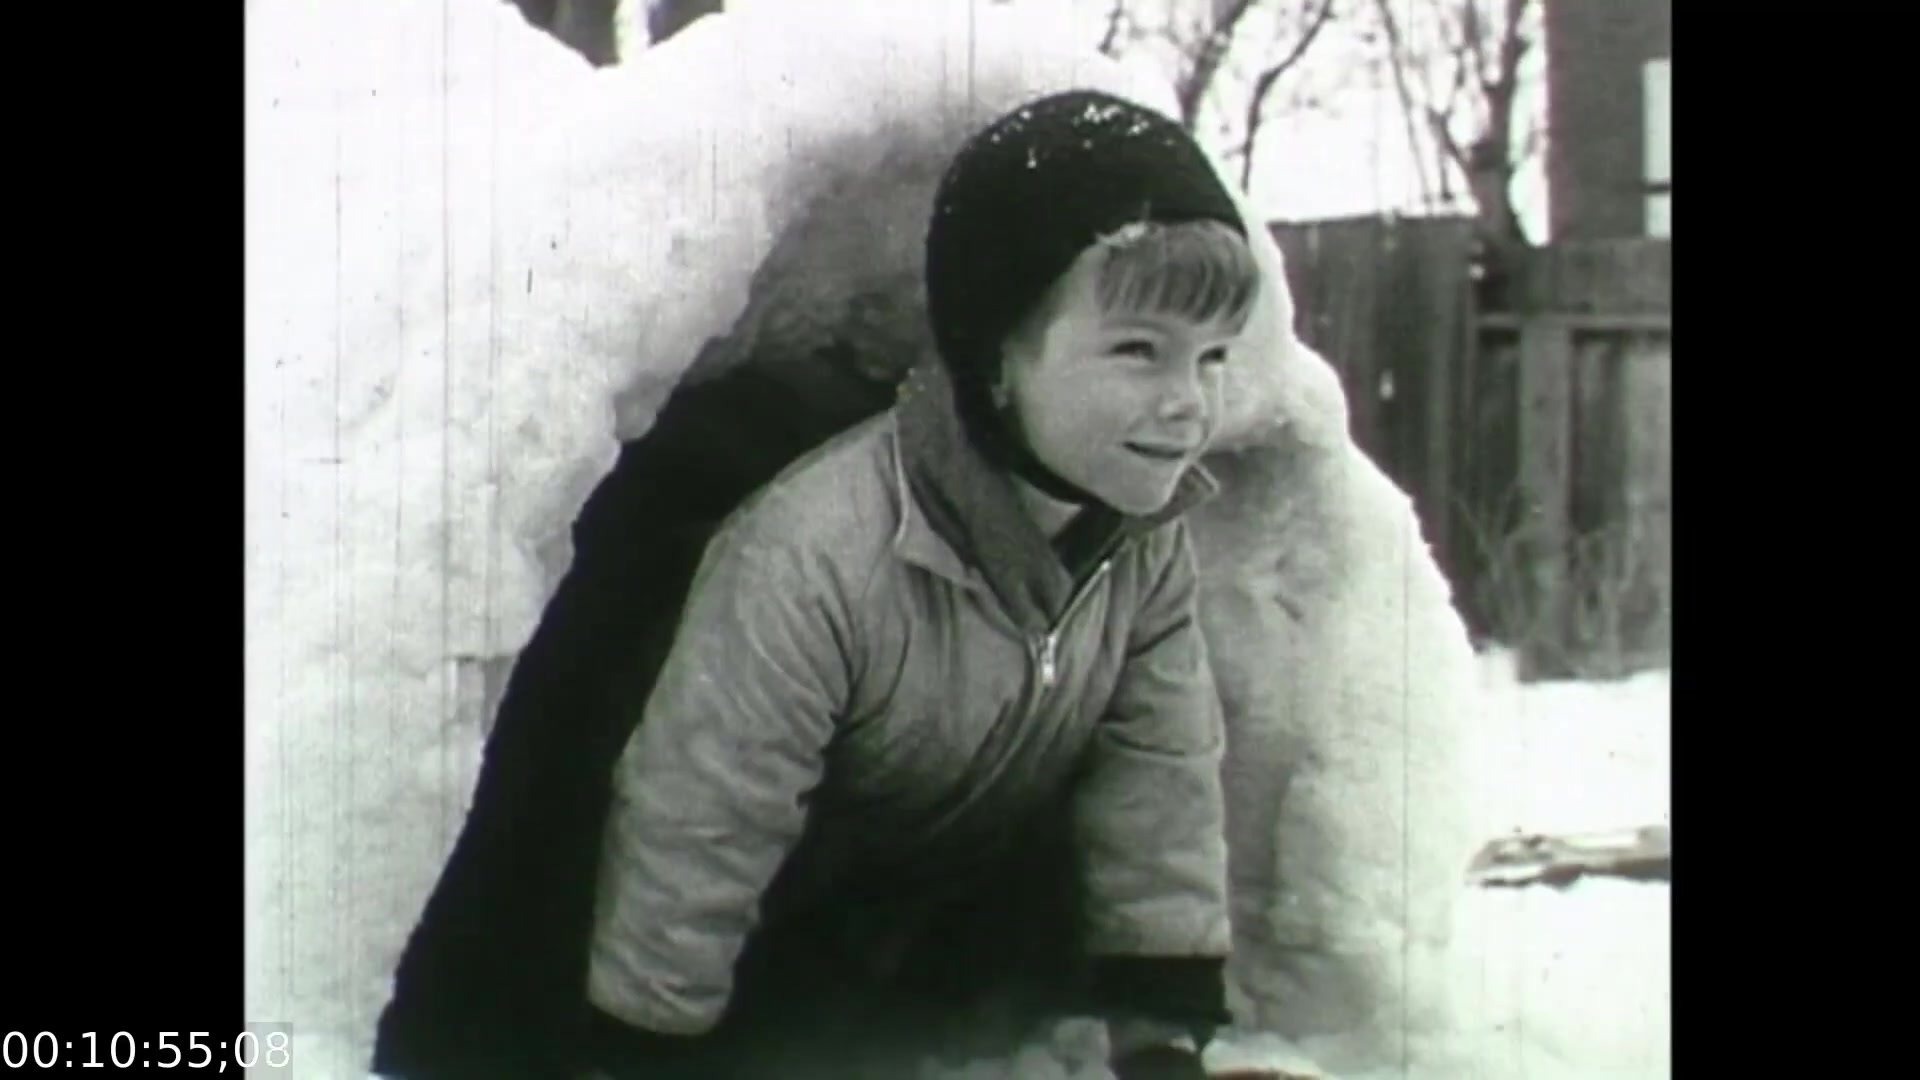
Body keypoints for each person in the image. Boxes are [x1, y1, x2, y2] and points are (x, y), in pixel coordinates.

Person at [579, 88, 1265, 1080]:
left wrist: (1160, 1032)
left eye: (1211, 359)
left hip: (938, 923)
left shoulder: (1143, 541)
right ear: (996, 358)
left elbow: (1156, 774)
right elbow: (703, 813)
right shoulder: (813, 552)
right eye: (1137, 351)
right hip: (771, 938)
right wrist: (642, 1047)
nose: (1188, 403)